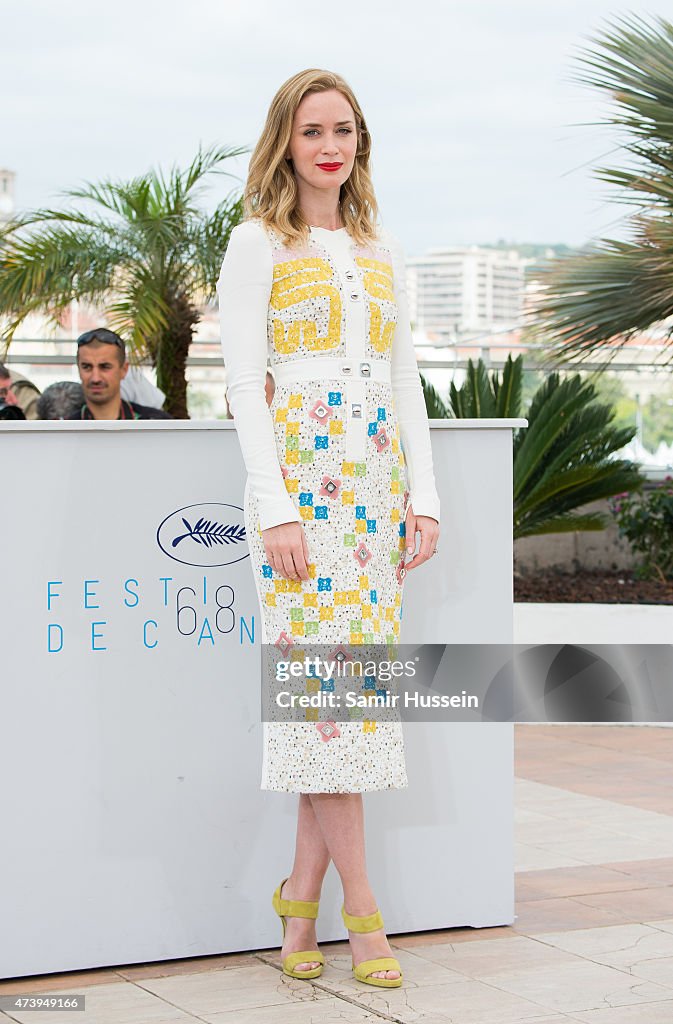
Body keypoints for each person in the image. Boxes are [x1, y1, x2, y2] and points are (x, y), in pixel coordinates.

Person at [217, 69, 440, 990]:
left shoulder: (382, 250)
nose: (328, 144)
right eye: (311, 129)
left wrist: (422, 500)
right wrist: (273, 509)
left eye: (342, 128)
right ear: (286, 139)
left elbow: (402, 384)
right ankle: (363, 913)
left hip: (370, 498)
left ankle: (296, 899)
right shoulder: (254, 245)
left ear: (359, 142)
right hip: (300, 500)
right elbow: (240, 386)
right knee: (326, 706)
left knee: (347, 708)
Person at [67, 329, 173, 420]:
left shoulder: (156, 426)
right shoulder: (62, 431)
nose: (95, 378)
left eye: (105, 367)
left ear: (124, 370)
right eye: (86, 367)